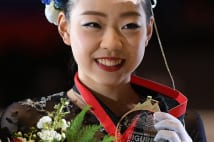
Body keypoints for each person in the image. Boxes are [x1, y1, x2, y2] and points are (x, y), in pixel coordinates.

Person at [0, 0, 206, 141]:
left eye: (130, 25)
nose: (112, 44)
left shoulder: (180, 124)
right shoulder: (26, 120)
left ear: (148, 30)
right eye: (92, 24)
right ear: (65, 28)